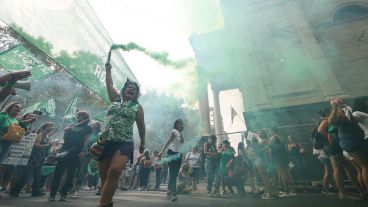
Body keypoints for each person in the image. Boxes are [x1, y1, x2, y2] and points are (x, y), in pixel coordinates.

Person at [98, 61, 145, 207]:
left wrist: (143, 142)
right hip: (105, 141)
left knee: (115, 171)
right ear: (125, 89)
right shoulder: (115, 99)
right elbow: (109, 84)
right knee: (105, 176)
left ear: (136, 94)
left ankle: (103, 204)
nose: (131, 89)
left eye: (134, 89)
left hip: (124, 143)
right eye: (129, 87)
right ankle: (108, 201)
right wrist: (108, 70)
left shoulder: (137, 107)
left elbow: (141, 126)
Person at [328, 98, 368, 199]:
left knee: (360, 169)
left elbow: (353, 122)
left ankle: (363, 192)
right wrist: (335, 108)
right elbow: (331, 121)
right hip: (352, 143)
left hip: (350, 143)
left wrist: (343, 108)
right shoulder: (338, 120)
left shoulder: (347, 117)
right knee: (365, 168)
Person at [48, 111, 92, 202]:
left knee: (70, 175)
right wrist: (66, 132)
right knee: (57, 174)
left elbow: (86, 141)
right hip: (64, 152)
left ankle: (63, 194)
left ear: (85, 117)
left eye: (81, 116)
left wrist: (83, 151)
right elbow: (65, 139)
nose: (78, 117)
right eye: (78, 115)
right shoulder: (72, 126)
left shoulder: (88, 128)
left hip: (76, 153)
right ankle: (52, 194)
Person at [10, 122, 53, 197]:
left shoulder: (47, 136)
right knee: (25, 176)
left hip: (40, 158)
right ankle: (14, 191)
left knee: (37, 176)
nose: (52, 128)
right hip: (32, 158)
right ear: (45, 127)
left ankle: (36, 191)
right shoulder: (40, 134)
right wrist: (47, 145)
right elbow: (35, 145)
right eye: (50, 126)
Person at [158, 119, 184, 202]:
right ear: (176, 124)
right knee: (173, 174)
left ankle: (169, 191)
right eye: (179, 123)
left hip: (178, 155)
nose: (181, 124)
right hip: (172, 153)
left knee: (175, 174)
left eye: (181, 123)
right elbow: (168, 141)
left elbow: (180, 144)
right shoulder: (174, 131)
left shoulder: (180, 133)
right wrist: (161, 152)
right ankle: (173, 193)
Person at [73, 121, 101, 198]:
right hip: (85, 155)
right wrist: (82, 152)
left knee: (96, 172)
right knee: (81, 172)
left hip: (94, 155)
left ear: (97, 126)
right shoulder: (87, 134)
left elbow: (98, 147)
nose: (92, 125)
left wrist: (86, 153)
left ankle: (98, 188)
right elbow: (84, 145)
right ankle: (76, 190)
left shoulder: (99, 135)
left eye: (94, 124)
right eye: (92, 124)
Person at [269, 128, 296, 197]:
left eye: (269, 131)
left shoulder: (272, 138)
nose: (269, 132)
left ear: (272, 131)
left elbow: (270, 150)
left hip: (278, 159)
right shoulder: (280, 138)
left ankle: (286, 191)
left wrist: (271, 158)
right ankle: (293, 191)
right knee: (288, 173)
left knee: (282, 174)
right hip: (284, 157)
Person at [252, 130, 275, 200]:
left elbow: (259, 148)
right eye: (258, 133)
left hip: (261, 161)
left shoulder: (264, 140)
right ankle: (268, 191)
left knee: (265, 177)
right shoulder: (261, 140)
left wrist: (256, 138)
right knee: (264, 177)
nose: (258, 134)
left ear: (263, 134)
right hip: (260, 160)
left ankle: (269, 193)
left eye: (259, 133)